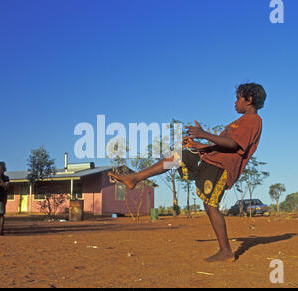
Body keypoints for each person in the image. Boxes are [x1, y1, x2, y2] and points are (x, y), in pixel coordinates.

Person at [108, 83, 266, 262]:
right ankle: (135, 178)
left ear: (250, 100)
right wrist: (199, 145)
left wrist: (204, 134)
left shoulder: (252, 121)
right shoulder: (240, 121)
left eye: (238, 98)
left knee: (210, 205)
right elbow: (223, 144)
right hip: (210, 159)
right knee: (178, 156)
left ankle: (226, 252)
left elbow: (234, 145)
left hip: (221, 167)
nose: (235, 103)